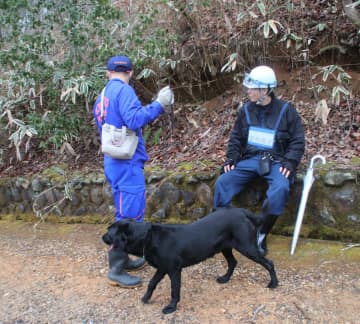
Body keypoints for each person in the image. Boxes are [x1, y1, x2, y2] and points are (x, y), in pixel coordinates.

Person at [93, 55, 174, 287]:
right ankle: (116, 269)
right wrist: (160, 103)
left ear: (108, 72)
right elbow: (134, 119)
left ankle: (124, 259)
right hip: (126, 164)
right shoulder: (124, 91)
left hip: (113, 161)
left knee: (125, 211)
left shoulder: (103, 96)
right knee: (128, 217)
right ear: (130, 72)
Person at [213, 65, 305, 255]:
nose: (248, 91)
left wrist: (290, 162)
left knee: (280, 188)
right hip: (250, 160)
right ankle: (223, 230)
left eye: (252, 88)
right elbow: (236, 138)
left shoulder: (287, 111)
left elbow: (297, 141)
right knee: (223, 182)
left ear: (264, 90)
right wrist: (231, 159)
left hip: (277, 161)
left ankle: (260, 234)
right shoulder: (245, 110)